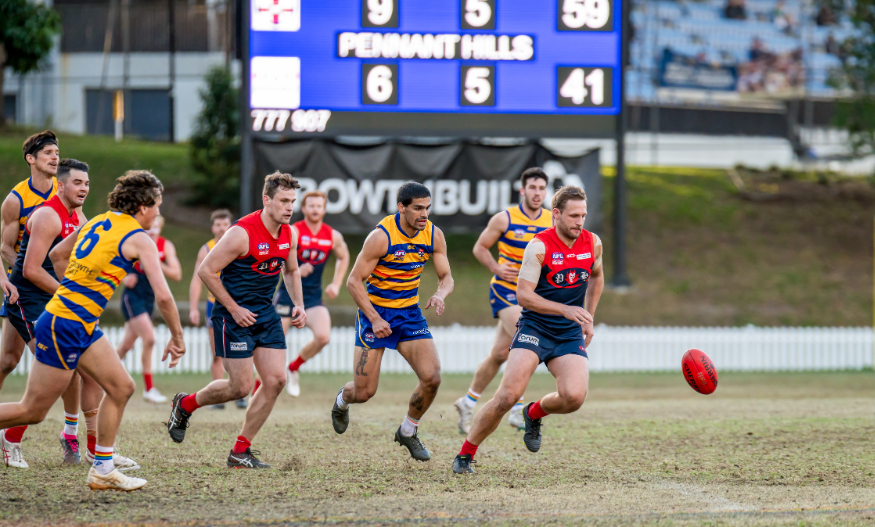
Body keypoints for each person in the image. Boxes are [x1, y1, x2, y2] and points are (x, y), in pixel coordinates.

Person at [0, 170, 186, 491]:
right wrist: (178, 338)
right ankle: (100, 465)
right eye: (157, 204)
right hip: (65, 324)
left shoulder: (99, 220)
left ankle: (102, 468)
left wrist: (73, 291)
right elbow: (165, 296)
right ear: (143, 206)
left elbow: (58, 255)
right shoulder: (140, 238)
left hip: (77, 322)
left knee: (121, 387)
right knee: (34, 410)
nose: (158, 213)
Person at [453, 186, 604, 474]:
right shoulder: (539, 246)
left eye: (583, 215)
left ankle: (533, 413)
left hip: (568, 333)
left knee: (574, 398)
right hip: (535, 327)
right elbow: (523, 295)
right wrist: (565, 309)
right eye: (573, 215)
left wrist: (589, 317)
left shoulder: (593, 243)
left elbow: (597, 277)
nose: (580, 222)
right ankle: (465, 454)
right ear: (556, 214)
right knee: (507, 396)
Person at [166, 172, 307, 469]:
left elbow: (291, 271)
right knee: (240, 387)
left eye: (293, 201)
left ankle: (240, 451)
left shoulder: (289, 233)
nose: (289, 207)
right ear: (266, 200)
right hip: (232, 316)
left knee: (276, 380)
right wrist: (233, 308)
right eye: (283, 201)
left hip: (265, 314)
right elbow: (206, 270)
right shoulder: (241, 232)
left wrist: (298, 304)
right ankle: (185, 404)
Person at [331, 182, 453, 462]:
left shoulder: (434, 235)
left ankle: (408, 431)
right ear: (401, 207)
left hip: (409, 314)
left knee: (432, 378)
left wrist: (440, 294)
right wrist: (374, 319)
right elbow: (353, 282)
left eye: (428, 208)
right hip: (375, 314)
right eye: (418, 208)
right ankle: (341, 400)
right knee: (363, 393)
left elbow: (446, 276)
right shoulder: (381, 237)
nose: (424, 214)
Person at [0, 131, 81, 469]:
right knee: (43, 364)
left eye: (57, 152)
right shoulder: (16, 200)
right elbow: (4, 246)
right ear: (30, 159)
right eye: (47, 152)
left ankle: (71, 434)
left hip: (48, 288)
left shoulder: (66, 191)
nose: (54, 157)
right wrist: (7, 279)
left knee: (10, 359)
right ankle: (13, 435)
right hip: (27, 289)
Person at [454, 168, 552, 434]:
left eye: (542, 188)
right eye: (532, 187)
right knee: (527, 340)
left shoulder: (550, 221)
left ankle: (467, 401)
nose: (537, 193)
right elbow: (480, 247)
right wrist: (495, 267)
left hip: (531, 295)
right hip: (505, 292)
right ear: (522, 190)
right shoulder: (505, 218)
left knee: (499, 354)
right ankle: (519, 410)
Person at [275, 190, 349, 397]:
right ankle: (257, 389)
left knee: (323, 336)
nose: (315, 209)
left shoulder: (332, 235)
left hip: (313, 297)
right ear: (304, 208)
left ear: (324, 209)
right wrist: (295, 269)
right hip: (287, 294)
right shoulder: (292, 230)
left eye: (319, 206)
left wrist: (336, 283)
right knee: (275, 344)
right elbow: (277, 257)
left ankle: (294, 367)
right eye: (311, 205)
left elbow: (344, 257)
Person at [115, 215, 181, 404]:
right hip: (132, 297)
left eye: (156, 227)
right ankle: (149, 389)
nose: (151, 231)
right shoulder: (134, 242)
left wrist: (155, 262)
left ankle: (101, 377)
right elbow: (114, 264)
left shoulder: (164, 246)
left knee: (126, 345)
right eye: (149, 227)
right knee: (150, 339)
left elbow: (176, 274)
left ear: (160, 228)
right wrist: (123, 278)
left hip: (150, 298)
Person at [189, 209, 248, 410]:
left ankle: (240, 392)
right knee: (216, 352)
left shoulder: (238, 244)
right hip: (213, 305)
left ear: (231, 225)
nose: (222, 228)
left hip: (238, 305)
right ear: (213, 227)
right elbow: (197, 280)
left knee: (243, 347)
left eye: (225, 224)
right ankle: (218, 399)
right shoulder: (206, 249)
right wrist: (193, 307)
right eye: (218, 224)